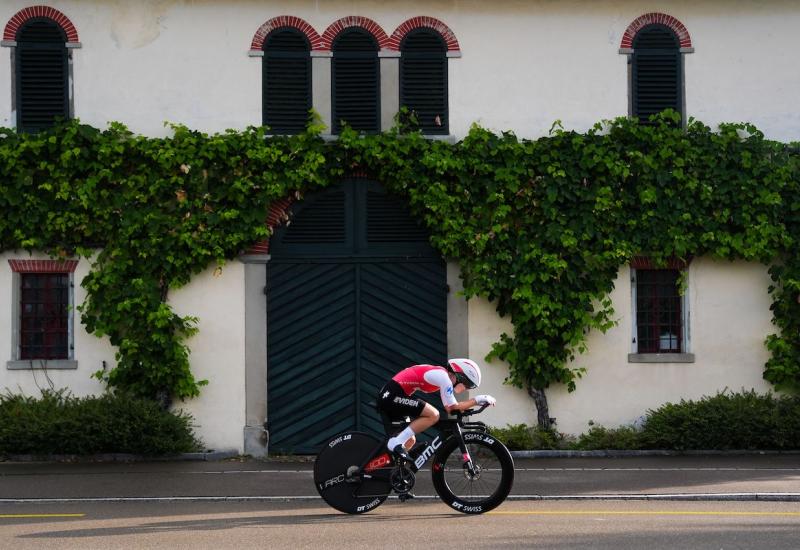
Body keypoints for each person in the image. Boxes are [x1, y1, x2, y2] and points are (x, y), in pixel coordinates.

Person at [376, 358, 496, 459]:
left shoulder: (442, 375)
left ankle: (389, 470)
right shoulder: (444, 378)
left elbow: (453, 408)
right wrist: (477, 400)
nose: (466, 388)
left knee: (409, 441)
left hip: (393, 396)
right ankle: (394, 442)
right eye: (467, 384)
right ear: (460, 376)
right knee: (433, 415)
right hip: (392, 396)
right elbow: (452, 408)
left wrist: (474, 402)